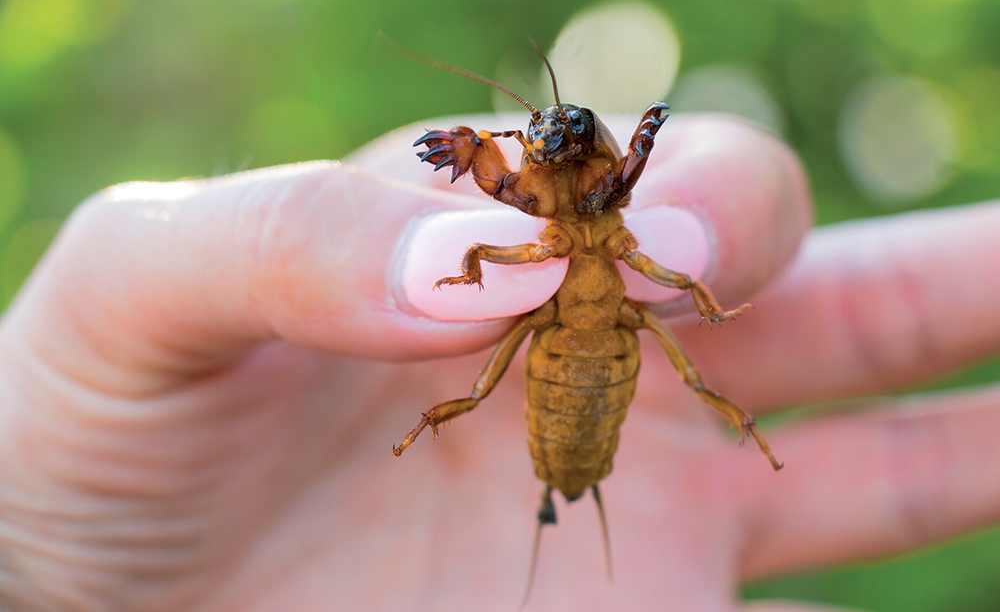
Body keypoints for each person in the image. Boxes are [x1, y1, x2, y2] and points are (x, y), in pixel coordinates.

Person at [0, 113, 997, 612]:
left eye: (576, 137)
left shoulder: (609, 218)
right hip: (557, 361)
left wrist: (654, 161)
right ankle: (450, 442)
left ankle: (719, 444)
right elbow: (502, 237)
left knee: (692, 365)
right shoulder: (547, 221)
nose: (560, 142)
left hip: (598, 367)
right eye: (545, 137)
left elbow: (669, 259)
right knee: (478, 390)